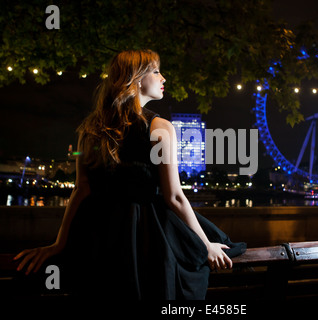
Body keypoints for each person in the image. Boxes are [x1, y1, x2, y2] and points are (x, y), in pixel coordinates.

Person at [14, 49, 246, 300]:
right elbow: (175, 197)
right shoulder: (159, 129)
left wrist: (60, 243)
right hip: (147, 236)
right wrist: (205, 245)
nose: (163, 78)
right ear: (136, 79)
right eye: (156, 71)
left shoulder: (90, 129)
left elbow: (81, 189)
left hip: (99, 237)